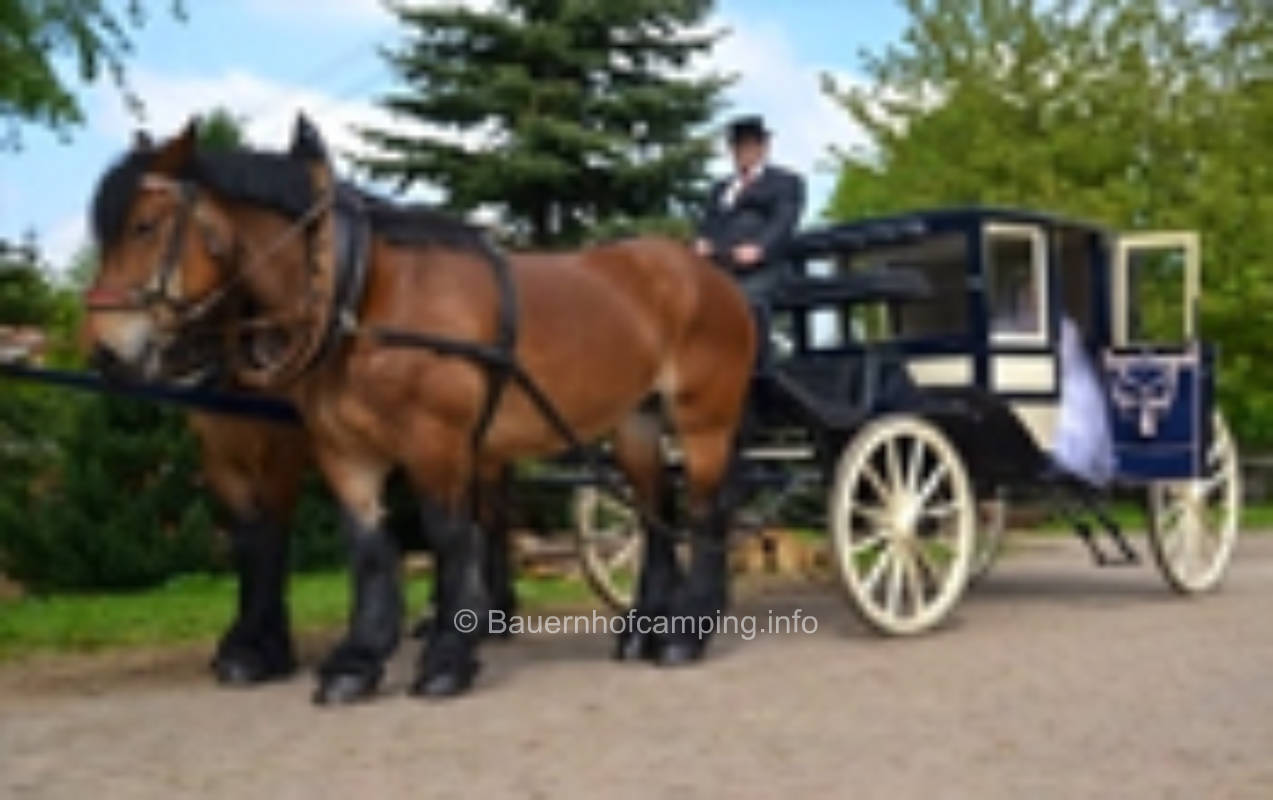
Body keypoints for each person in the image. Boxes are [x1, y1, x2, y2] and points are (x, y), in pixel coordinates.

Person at [695, 115, 806, 305]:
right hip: (721, 264)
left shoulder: (784, 182)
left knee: (747, 299)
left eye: (748, 145)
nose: (742, 152)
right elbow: (708, 222)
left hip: (763, 267)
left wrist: (760, 248)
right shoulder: (721, 188)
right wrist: (703, 242)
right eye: (737, 147)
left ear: (763, 147)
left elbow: (783, 221)